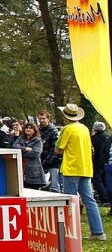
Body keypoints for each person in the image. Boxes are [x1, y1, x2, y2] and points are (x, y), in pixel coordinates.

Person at [55, 103, 105, 240]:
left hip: (71, 168)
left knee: (70, 201)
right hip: (86, 168)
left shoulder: (67, 129)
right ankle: (98, 231)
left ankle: (71, 232)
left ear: (65, 117)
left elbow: (58, 149)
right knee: (90, 200)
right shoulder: (84, 128)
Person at [14, 123, 47, 190]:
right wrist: (26, 149)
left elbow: (35, 154)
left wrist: (20, 151)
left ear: (34, 130)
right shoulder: (20, 138)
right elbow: (14, 147)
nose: (28, 129)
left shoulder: (38, 141)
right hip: (21, 169)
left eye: (30, 128)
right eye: (26, 128)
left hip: (33, 171)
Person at [38, 111, 62, 191]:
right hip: (41, 159)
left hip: (53, 162)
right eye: (40, 119)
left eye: (43, 118)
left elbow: (54, 149)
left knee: (54, 186)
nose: (41, 120)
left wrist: (46, 162)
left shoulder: (53, 131)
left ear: (48, 119)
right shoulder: (38, 130)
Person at [90, 121, 110, 204]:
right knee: (105, 180)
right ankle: (108, 197)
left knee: (96, 180)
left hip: (96, 162)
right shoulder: (107, 138)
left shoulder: (93, 138)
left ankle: (104, 198)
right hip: (106, 162)